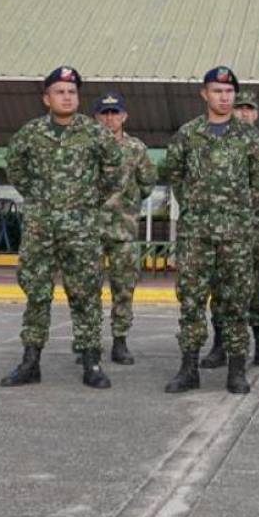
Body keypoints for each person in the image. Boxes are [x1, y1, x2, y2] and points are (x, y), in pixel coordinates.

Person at [0, 66, 124, 389]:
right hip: (40, 228)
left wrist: (86, 200)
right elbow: (15, 167)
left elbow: (114, 170)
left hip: (82, 228)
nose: (66, 97)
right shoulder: (30, 133)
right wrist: (39, 198)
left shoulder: (95, 132)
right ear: (46, 98)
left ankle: (91, 362)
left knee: (85, 294)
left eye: (71, 92)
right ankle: (30, 362)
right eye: (60, 92)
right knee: (36, 293)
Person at [163, 67, 259, 395]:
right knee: (192, 301)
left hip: (236, 235)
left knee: (237, 300)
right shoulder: (187, 134)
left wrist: (236, 213)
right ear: (204, 94)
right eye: (217, 91)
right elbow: (175, 176)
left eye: (229, 92)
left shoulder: (249, 138)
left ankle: (237, 370)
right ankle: (188, 368)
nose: (224, 98)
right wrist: (199, 208)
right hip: (196, 234)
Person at [199, 90, 259, 371]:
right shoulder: (214, 148)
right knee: (222, 287)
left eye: (249, 109)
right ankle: (220, 345)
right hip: (225, 230)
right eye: (239, 109)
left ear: (257, 114)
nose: (244, 114)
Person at [95, 92, 157, 365]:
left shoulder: (136, 148)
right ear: (97, 117)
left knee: (123, 289)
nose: (110, 119)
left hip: (124, 230)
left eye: (115, 113)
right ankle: (89, 342)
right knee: (86, 289)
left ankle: (120, 342)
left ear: (124, 116)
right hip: (91, 231)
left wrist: (127, 204)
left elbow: (147, 183)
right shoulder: (87, 147)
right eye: (105, 113)